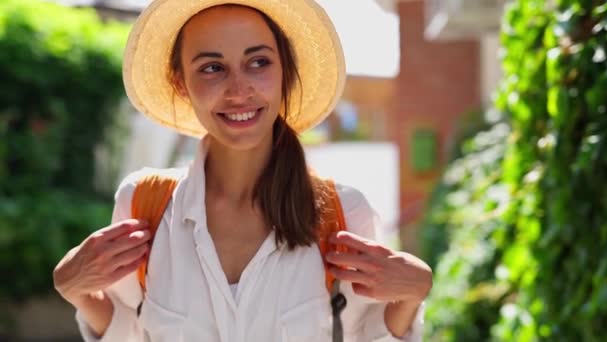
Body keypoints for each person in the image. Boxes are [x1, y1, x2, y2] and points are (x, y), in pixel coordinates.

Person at [52, 1, 432, 341]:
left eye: (259, 62)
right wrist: (76, 292)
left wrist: (413, 293)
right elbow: (129, 333)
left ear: (286, 73)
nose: (239, 89)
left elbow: (369, 336)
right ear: (181, 84)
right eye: (212, 67)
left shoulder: (343, 213)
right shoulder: (143, 206)